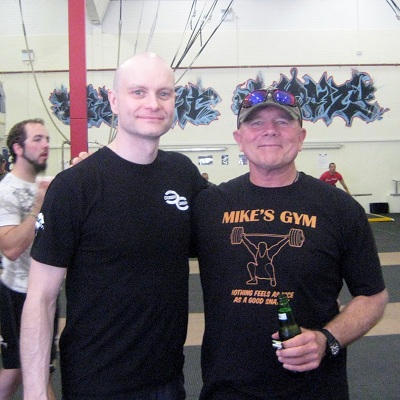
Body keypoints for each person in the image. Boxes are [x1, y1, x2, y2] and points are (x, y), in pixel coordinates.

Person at [20, 52, 207, 400]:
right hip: (97, 383)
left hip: (169, 380)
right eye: (138, 92)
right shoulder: (75, 186)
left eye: (163, 93)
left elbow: (228, 226)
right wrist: (33, 391)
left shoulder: (183, 175)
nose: (153, 103)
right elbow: (41, 298)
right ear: (114, 100)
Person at [193, 88, 388, 399]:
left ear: (301, 136)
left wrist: (328, 339)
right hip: (228, 389)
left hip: (314, 389)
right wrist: (93, 176)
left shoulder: (339, 208)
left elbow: (373, 297)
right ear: (239, 137)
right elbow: (139, 241)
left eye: (283, 122)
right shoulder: (208, 206)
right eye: (256, 123)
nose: (270, 130)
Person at [0, 119, 57, 400]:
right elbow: (10, 248)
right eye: (37, 139)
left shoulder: (42, 184)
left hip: (45, 288)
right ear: (18, 148)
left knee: (15, 370)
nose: (46, 144)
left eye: (46, 138)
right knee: (38, 369)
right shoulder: (6, 191)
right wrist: (37, 209)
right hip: (18, 293)